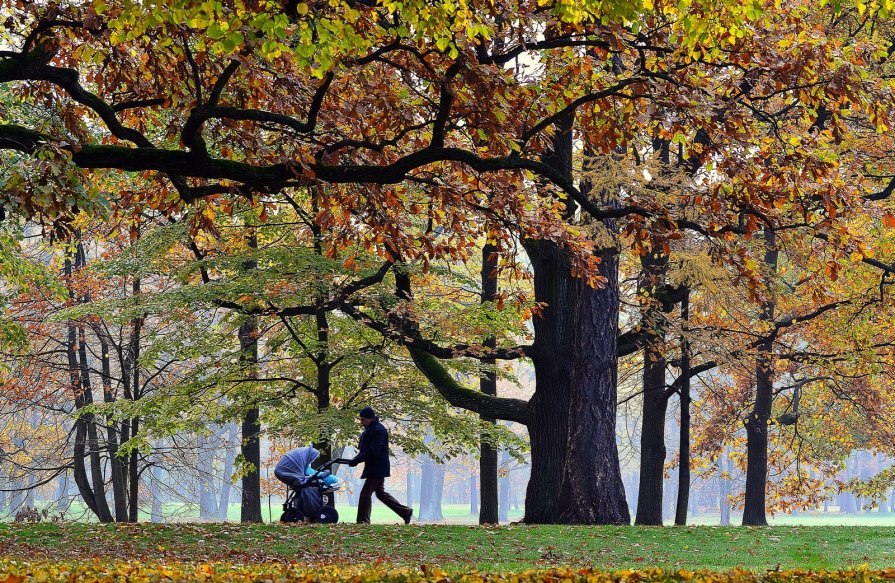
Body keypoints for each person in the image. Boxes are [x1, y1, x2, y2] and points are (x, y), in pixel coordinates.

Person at [348, 407, 413, 524]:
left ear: (371, 419)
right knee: (380, 494)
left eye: (363, 420)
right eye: (360, 419)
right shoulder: (370, 430)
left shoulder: (378, 430)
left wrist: (357, 459)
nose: (361, 422)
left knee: (365, 494)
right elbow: (365, 449)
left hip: (377, 468)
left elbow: (373, 451)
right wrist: (357, 459)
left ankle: (363, 521)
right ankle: (405, 512)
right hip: (374, 466)